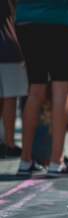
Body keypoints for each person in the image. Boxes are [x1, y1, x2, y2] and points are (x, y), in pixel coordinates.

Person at [15, 0, 68, 177]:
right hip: (59, 19)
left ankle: (25, 160)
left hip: (26, 20)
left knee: (34, 89)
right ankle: (56, 161)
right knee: (61, 88)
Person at [0, 0, 28, 158]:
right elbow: (16, 16)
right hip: (8, 44)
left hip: (7, 45)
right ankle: (9, 143)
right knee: (9, 97)